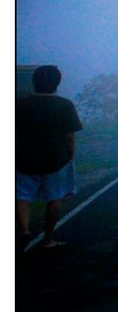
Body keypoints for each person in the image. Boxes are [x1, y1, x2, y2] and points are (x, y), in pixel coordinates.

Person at [16, 65, 83, 249]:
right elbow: (70, 136)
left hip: (23, 157)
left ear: (34, 82)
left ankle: (25, 231)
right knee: (55, 197)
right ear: (57, 83)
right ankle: (48, 239)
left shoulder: (19, 104)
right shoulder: (64, 105)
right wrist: (71, 156)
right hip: (56, 158)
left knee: (22, 196)